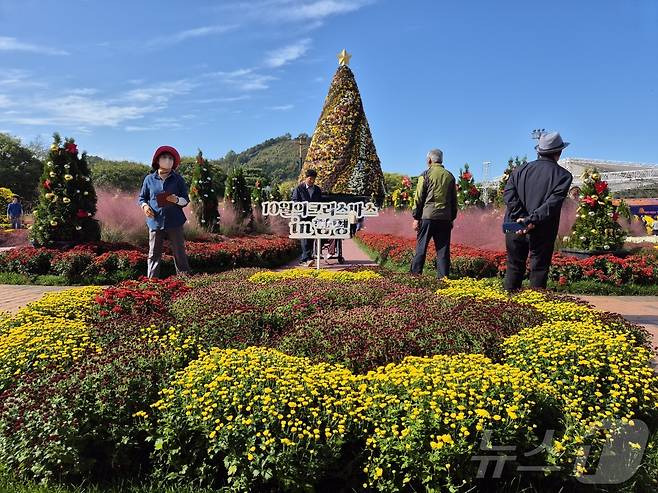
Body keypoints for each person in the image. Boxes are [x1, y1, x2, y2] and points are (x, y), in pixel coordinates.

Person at [503, 131, 573, 291]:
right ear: (559, 152)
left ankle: (508, 308)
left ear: (538, 151)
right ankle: (534, 311)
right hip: (543, 228)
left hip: (513, 225)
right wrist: (530, 220)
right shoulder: (564, 176)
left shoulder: (519, 170)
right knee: (539, 269)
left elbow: (508, 196)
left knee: (513, 266)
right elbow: (552, 205)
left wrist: (521, 218)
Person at [138, 145, 191, 278]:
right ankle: (152, 282)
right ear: (157, 160)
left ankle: (184, 280)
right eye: (164, 157)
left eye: (170, 158)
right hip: (155, 221)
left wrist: (176, 200)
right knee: (153, 253)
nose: (167, 160)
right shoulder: (149, 179)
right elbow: (142, 197)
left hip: (175, 221)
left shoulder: (178, 179)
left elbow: (186, 199)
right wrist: (145, 207)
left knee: (179, 252)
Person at [410, 149, 458, 278]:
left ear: (429, 160)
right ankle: (443, 278)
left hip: (427, 216)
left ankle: (415, 275)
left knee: (421, 246)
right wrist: (452, 218)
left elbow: (419, 197)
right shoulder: (450, 176)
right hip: (445, 218)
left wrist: (416, 217)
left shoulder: (425, 175)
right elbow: (454, 200)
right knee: (443, 249)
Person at [292, 169, 322, 266]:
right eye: (310, 179)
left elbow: (320, 202)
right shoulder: (299, 188)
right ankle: (306, 258)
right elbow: (295, 201)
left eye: (314, 179)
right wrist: (303, 206)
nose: (312, 181)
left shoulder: (317, 189)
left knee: (312, 237)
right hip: (303, 216)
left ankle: (308, 258)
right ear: (306, 178)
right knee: (304, 237)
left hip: (313, 217)